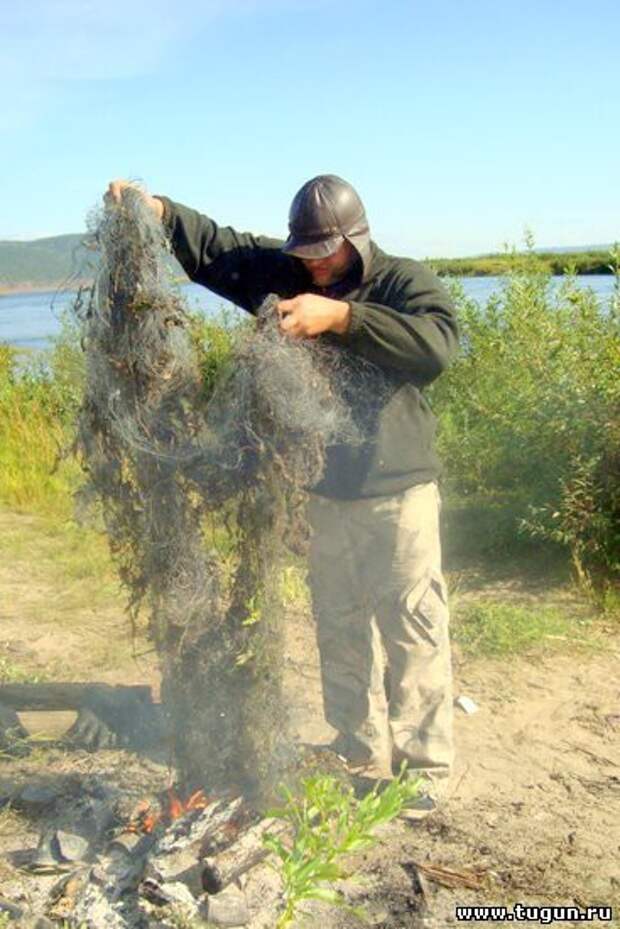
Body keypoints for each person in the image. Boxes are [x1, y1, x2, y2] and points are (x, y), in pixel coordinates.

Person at [107, 175, 459, 801]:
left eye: (325, 252)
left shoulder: (405, 281)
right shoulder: (290, 274)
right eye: (304, 253)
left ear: (357, 238)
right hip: (324, 496)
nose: (314, 265)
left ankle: (424, 768)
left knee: (412, 627)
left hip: (397, 495)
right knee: (337, 623)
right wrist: (156, 210)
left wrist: (343, 317)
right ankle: (352, 745)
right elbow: (221, 250)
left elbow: (436, 347)